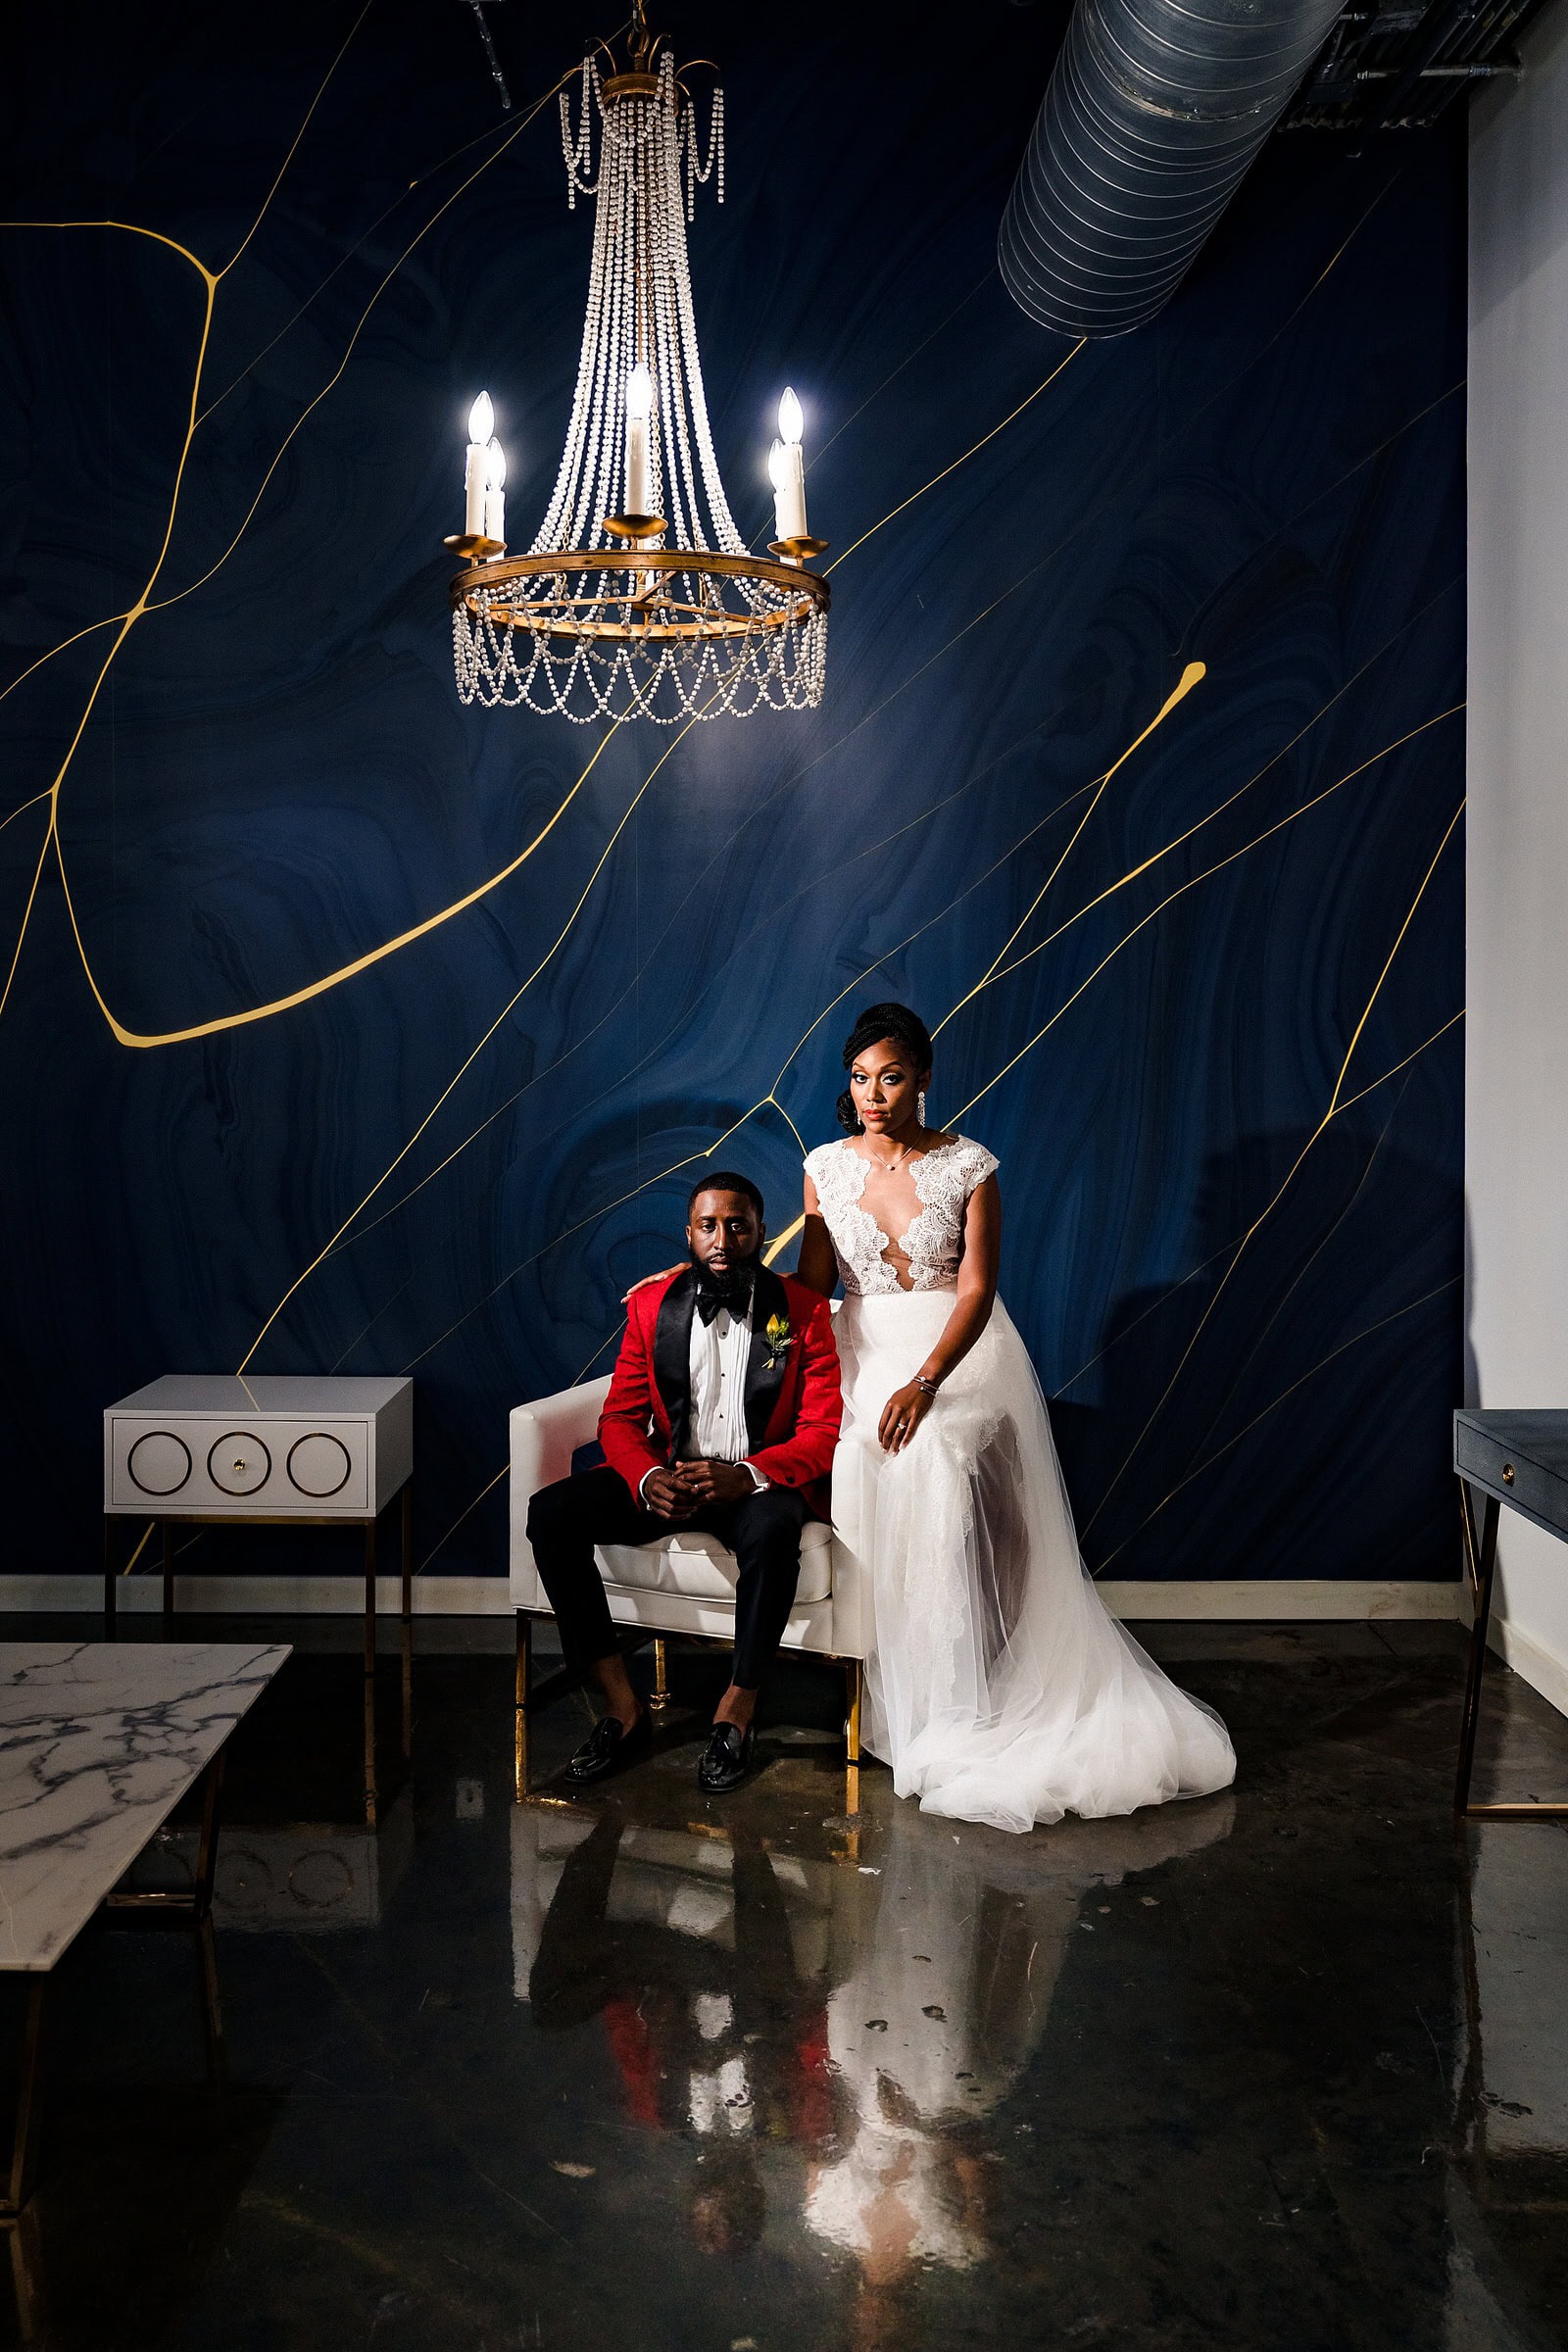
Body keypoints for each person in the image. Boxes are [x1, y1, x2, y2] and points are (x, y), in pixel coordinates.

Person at [795, 1002, 1236, 1834]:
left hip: (953, 1351)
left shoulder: (968, 1164)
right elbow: (813, 1284)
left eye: (890, 1077)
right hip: (864, 1351)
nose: (873, 1095)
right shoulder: (823, 1165)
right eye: (859, 1079)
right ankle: (893, 1689)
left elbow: (977, 1288)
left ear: (923, 1078)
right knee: (861, 1467)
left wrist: (926, 1382)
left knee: (935, 1465)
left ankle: (967, 1693)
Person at [525, 1173, 842, 1793]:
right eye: (708, 1226)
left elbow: (820, 1430)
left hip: (752, 1485)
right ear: (689, 1234)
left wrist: (748, 1476)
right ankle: (622, 1706)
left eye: (737, 1225)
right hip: (669, 1478)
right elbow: (618, 1416)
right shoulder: (652, 1306)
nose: (722, 1239)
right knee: (551, 1513)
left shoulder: (800, 1314)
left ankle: (737, 1710)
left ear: (760, 1234)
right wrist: (645, 1478)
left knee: (777, 1530)